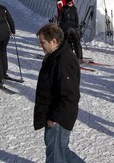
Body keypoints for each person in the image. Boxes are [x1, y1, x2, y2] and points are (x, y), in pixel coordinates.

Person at [34, 23, 83, 163]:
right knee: (62, 151)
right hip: (55, 113)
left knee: (55, 155)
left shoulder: (63, 60)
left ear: (54, 41)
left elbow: (70, 95)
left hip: (59, 117)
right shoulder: (55, 55)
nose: (40, 46)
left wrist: (55, 117)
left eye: (43, 42)